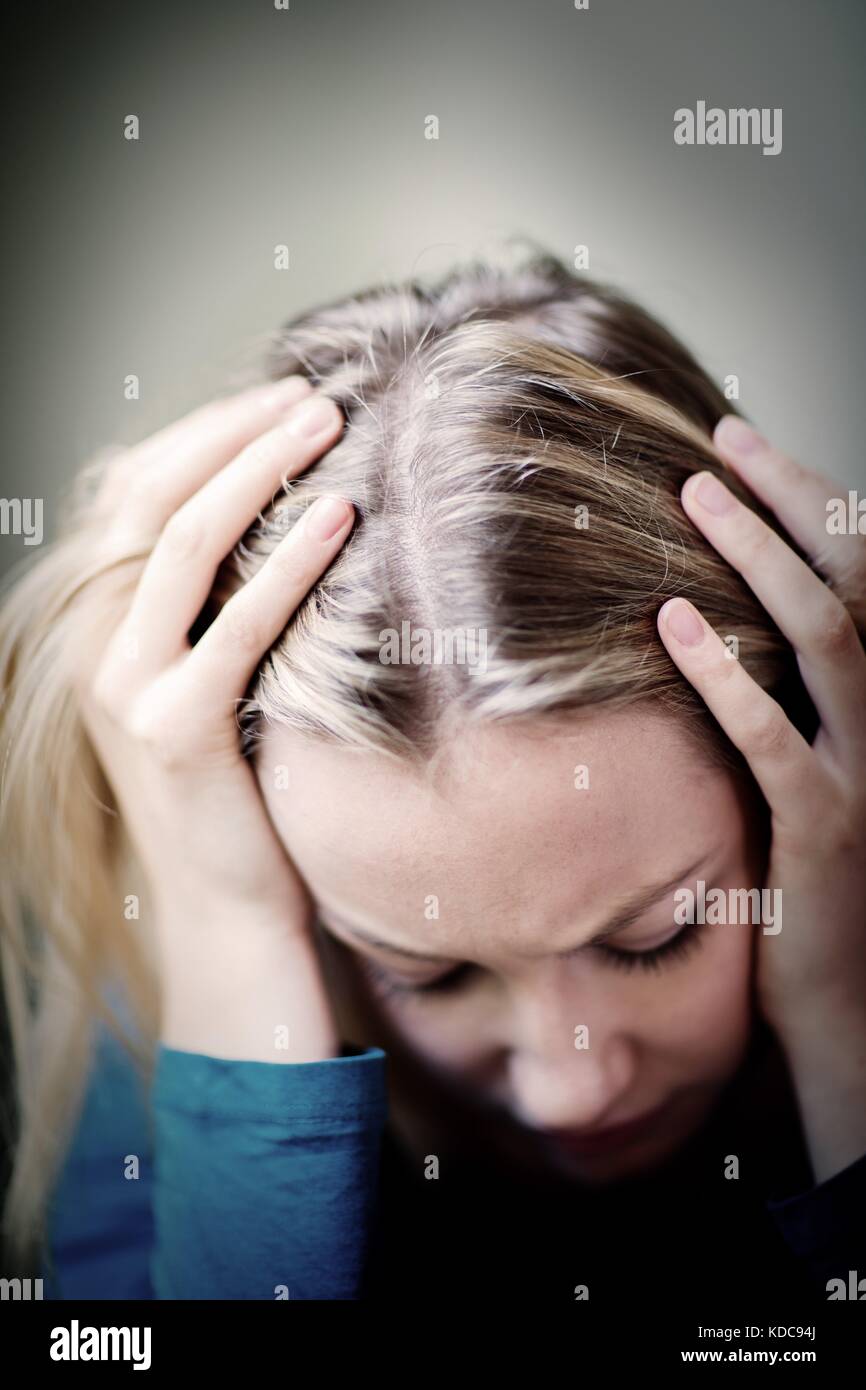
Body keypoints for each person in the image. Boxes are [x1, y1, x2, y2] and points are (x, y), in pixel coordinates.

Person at [1, 249, 864, 1303]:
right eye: (423, 974)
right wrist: (228, 944)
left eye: (656, 936)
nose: (570, 1086)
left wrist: (843, 1029)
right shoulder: (164, 1001)